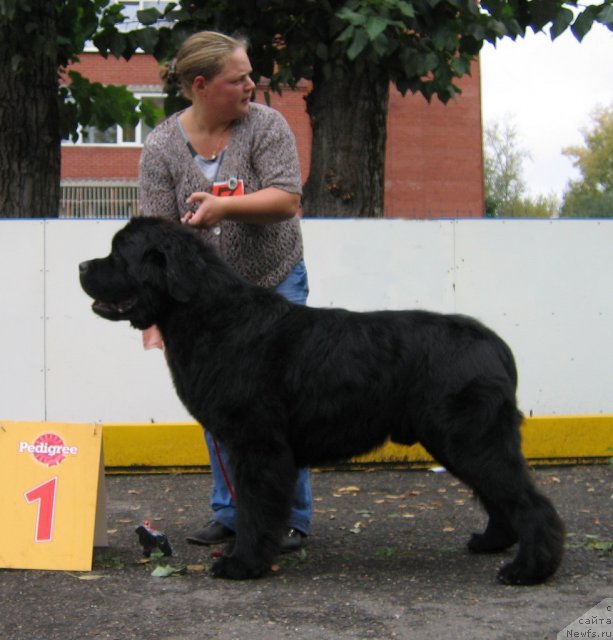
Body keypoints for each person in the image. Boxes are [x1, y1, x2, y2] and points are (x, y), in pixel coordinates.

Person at [138, 30, 312, 552]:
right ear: (200, 85)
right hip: (205, 305)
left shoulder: (267, 126)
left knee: (280, 406)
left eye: (249, 75)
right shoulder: (161, 146)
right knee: (220, 405)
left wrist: (224, 206)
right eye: (238, 79)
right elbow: (155, 236)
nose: (251, 86)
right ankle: (232, 512)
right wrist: (153, 316)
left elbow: (287, 200)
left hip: (274, 279)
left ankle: (289, 518)